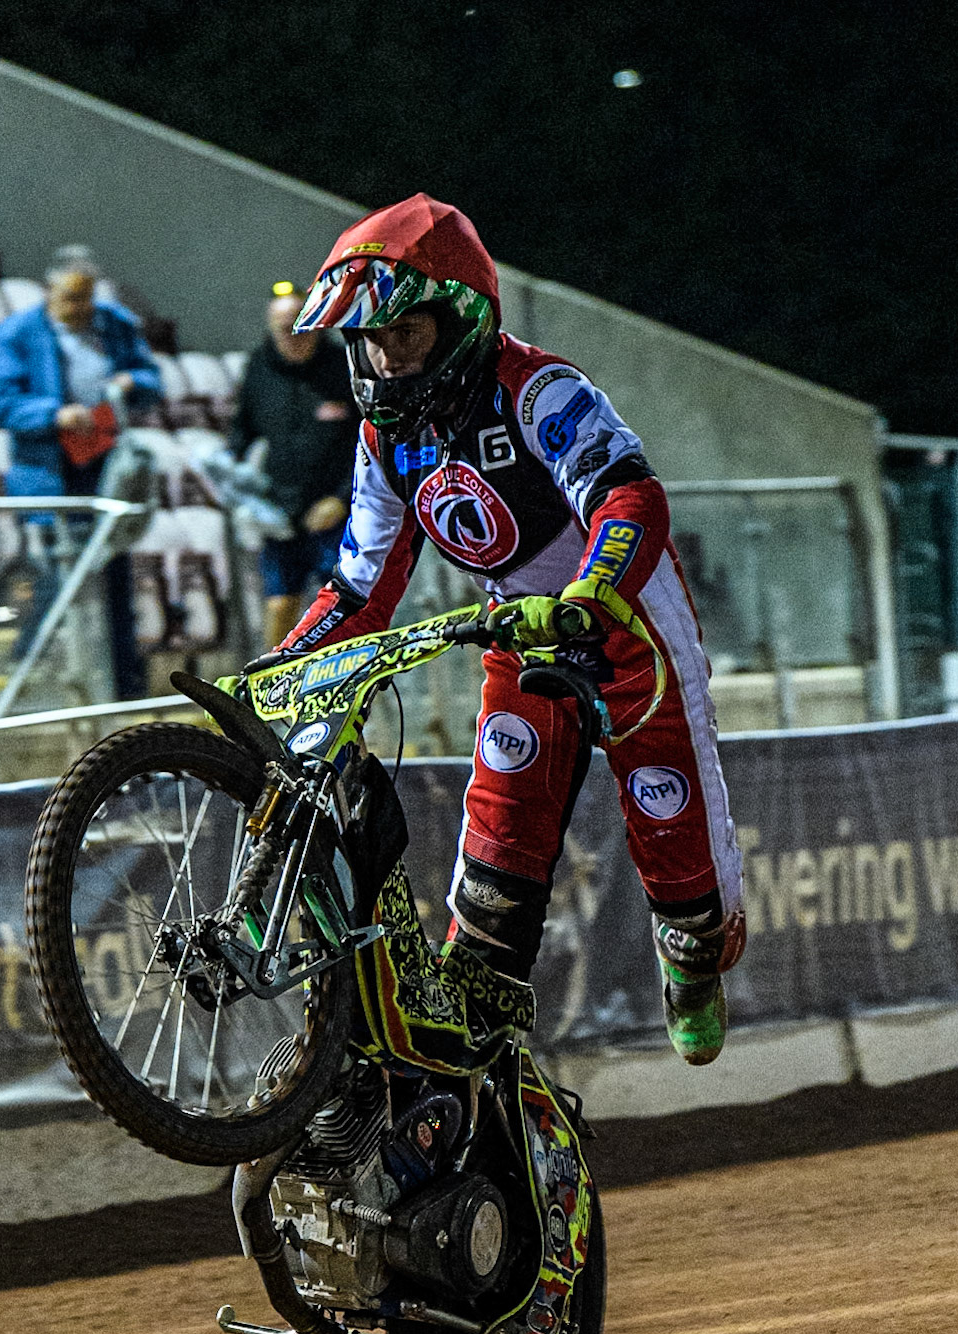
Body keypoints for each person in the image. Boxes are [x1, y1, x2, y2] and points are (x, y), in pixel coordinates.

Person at [276, 194, 745, 1064]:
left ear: (461, 319)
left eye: (402, 336)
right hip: (520, 641)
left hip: (630, 634)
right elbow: (359, 587)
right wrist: (282, 667)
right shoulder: (384, 440)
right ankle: (475, 1066)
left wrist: (590, 591)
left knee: (686, 878)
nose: (383, 361)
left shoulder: (539, 388)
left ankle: (691, 952)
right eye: (369, 341)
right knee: (493, 866)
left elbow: (627, 495)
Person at [0, 246, 162, 699]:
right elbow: (5, 404)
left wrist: (132, 383)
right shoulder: (16, 334)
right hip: (52, 472)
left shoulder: (115, 323)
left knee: (115, 574)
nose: (81, 309)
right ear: (49, 292)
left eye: (86, 298)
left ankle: (125, 685)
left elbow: (150, 379)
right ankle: (24, 673)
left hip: (107, 468)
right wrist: (55, 414)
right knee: (57, 575)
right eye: (71, 299)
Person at [228, 282, 358, 649]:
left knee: (341, 604)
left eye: (301, 325)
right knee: (280, 602)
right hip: (280, 512)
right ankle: (269, 686)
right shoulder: (259, 366)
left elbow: (368, 441)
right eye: (284, 328)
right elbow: (242, 431)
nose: (293, 336)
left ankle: (348, 684)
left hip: (335, 513)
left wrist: (341, 499)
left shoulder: (342, 367)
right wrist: (233, 478)